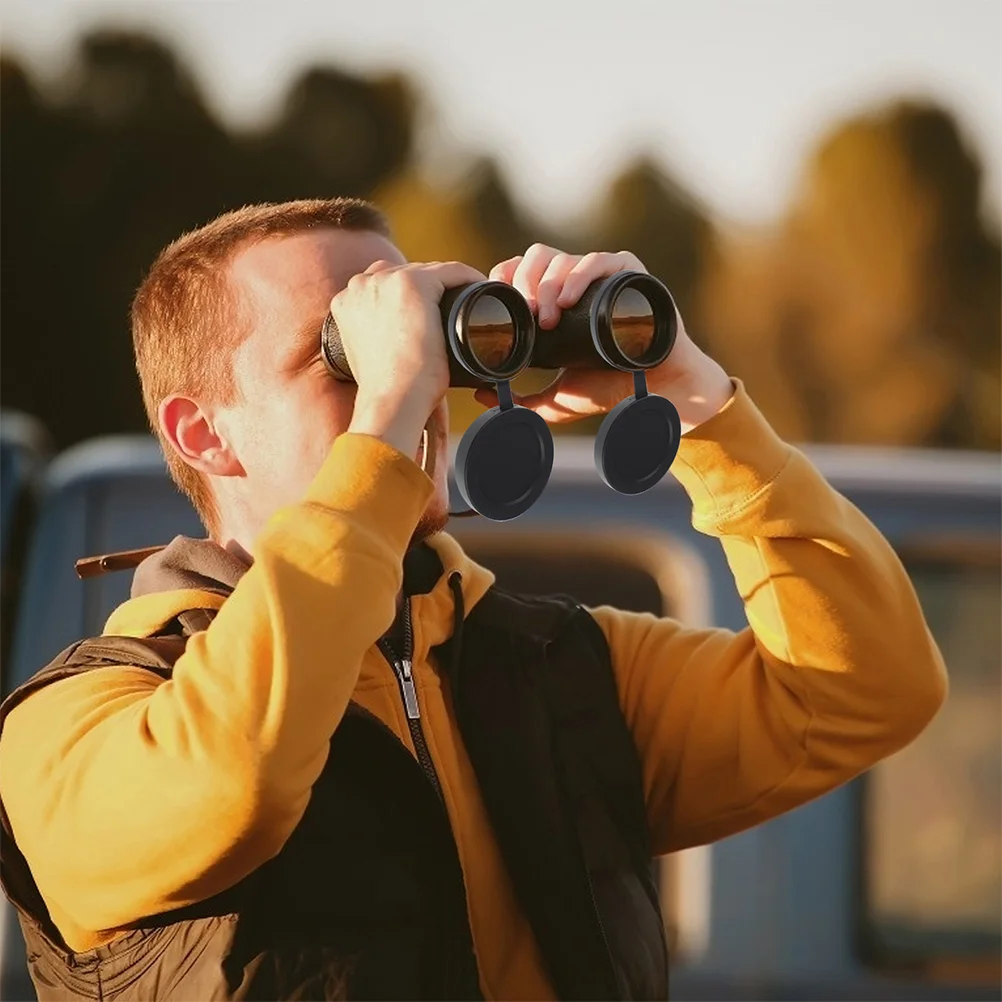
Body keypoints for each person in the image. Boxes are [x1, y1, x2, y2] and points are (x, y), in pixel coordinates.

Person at [0, 198, 947, 1002]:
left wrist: (692, 395)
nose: (422, 394)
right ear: (202, 433)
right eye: (349, 359)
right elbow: (236, 781)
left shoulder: (558, 677)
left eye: (428, 344)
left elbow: (868, 686)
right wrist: (389, 414)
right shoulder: (77, 724)